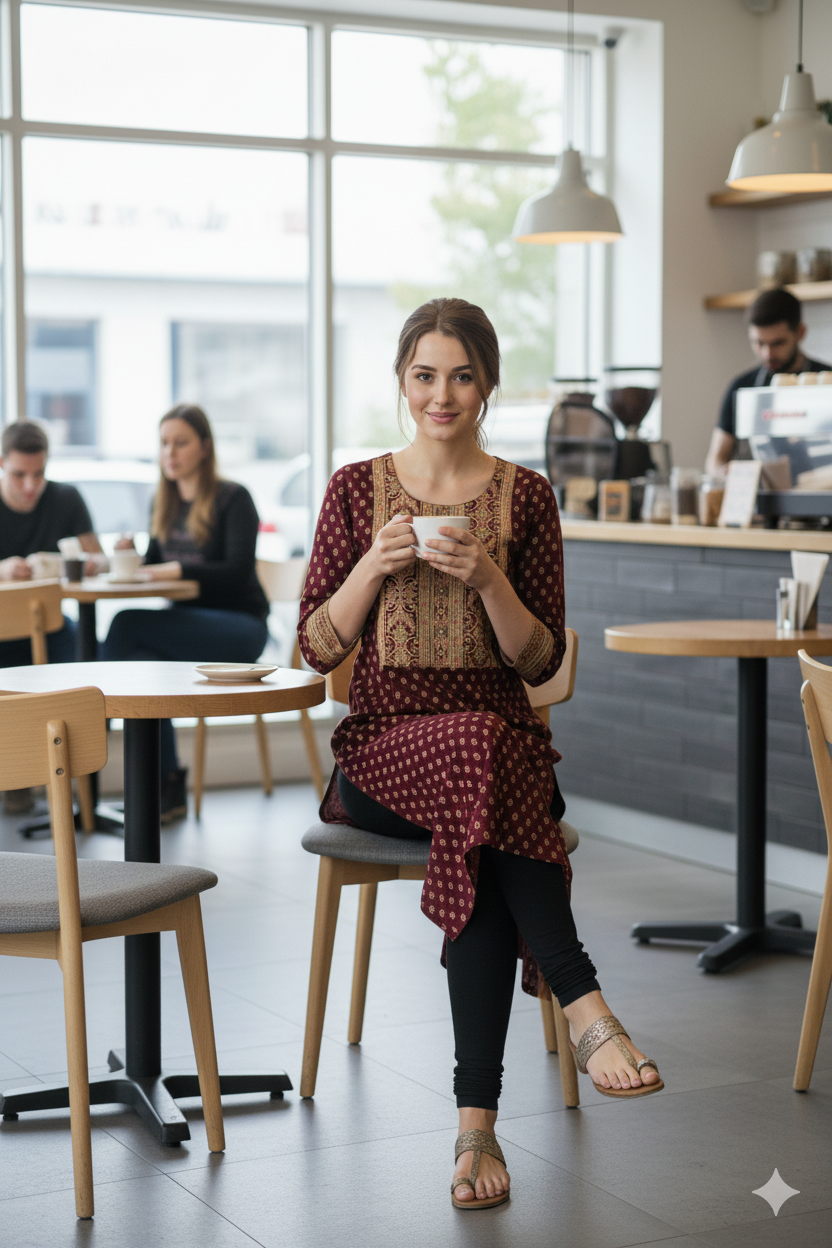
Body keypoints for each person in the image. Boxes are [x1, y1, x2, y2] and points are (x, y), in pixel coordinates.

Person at [298, 298, 663, 1212]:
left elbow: (539, 661)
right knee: (485, 767)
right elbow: (314, 647)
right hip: (380, 754)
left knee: (483, 796)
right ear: (401, 380)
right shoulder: (354, 490)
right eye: (425, 374)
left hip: (493, 755)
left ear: (490, 383)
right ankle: (583, 1004)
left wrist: (490, 577)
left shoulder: (526, 496)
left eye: (462, 374)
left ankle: (475, 1132)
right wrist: (370, 570)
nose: (443, 393)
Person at [102, 404, 269, 823]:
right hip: (187, 630)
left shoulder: (233, 498)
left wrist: (174, 569)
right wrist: (130, 558)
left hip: (239, 629)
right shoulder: (165, 502)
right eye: (164, 443)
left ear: (205, 447)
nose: (170, 453)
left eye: (180, 442)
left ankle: (90, 729)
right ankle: (167, 790)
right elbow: (152, 566)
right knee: (144, 662)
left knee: (125, 624)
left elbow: (237, 573)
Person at [0, 420, 103, 813]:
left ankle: (76, 783)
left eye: (39, 474)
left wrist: (68, 564)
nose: (31, 486)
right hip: (5, 638)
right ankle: (19, 774)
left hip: (53, 630)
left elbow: (98, 561)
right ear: (1, 464)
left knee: (92, 660)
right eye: (19, 474)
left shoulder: (65, 499)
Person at [705, 287, 831, 479]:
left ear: (800, 333)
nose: (767, 354)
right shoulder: (740, 387)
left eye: (778, 343)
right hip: (760, 506)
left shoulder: (827, 380)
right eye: (759, 343)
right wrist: (727, 474)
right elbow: (715, 461)